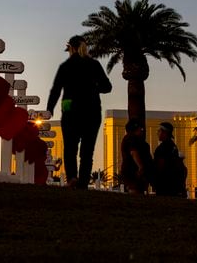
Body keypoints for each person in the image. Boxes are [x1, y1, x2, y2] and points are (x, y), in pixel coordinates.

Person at [46, 35, 112, 189]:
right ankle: (82, 182)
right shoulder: (94, 65)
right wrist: (94, 88)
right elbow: (107, 87)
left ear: (71, 48)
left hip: (70, 111)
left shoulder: (65, 66)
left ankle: (72, 179)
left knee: (70, 148)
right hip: (92, 111)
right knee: (87, 151)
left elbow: (55, 90)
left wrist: (50, 109)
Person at [152, 121, 187, 197]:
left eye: (159, 131)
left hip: (164, 184)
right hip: (173, 184)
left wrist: (155, 180)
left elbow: (160, 165)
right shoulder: (173, 146)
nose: (157, 133)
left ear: (164, 132)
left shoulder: (162, 148)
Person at [120, 119, 153, 194]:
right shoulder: (131, 139)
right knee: (135, 190)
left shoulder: (137, 140)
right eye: (141, 128)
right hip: (133, 171)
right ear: (135, 129)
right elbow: (134, 152)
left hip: (136, 172)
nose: (142, 130)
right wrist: (140, 167)